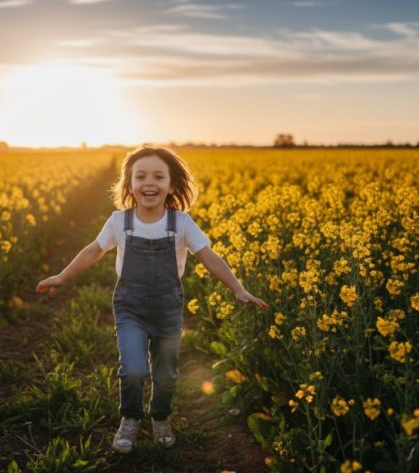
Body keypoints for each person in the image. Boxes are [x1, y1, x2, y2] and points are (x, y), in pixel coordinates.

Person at [35, 146, 269, 454]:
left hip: (167, 309)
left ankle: (160, 417)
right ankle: (130, 418)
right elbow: (93, 250)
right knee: (132, 370)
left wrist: (238, 289)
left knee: (166, 373)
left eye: (158, 176)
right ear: (129, 185)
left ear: (171, 185)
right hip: (130, 307)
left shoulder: (181, 223)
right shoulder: (120, 221)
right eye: (140, 176)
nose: (149, 182)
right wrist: (62, 276)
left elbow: (211, 258)